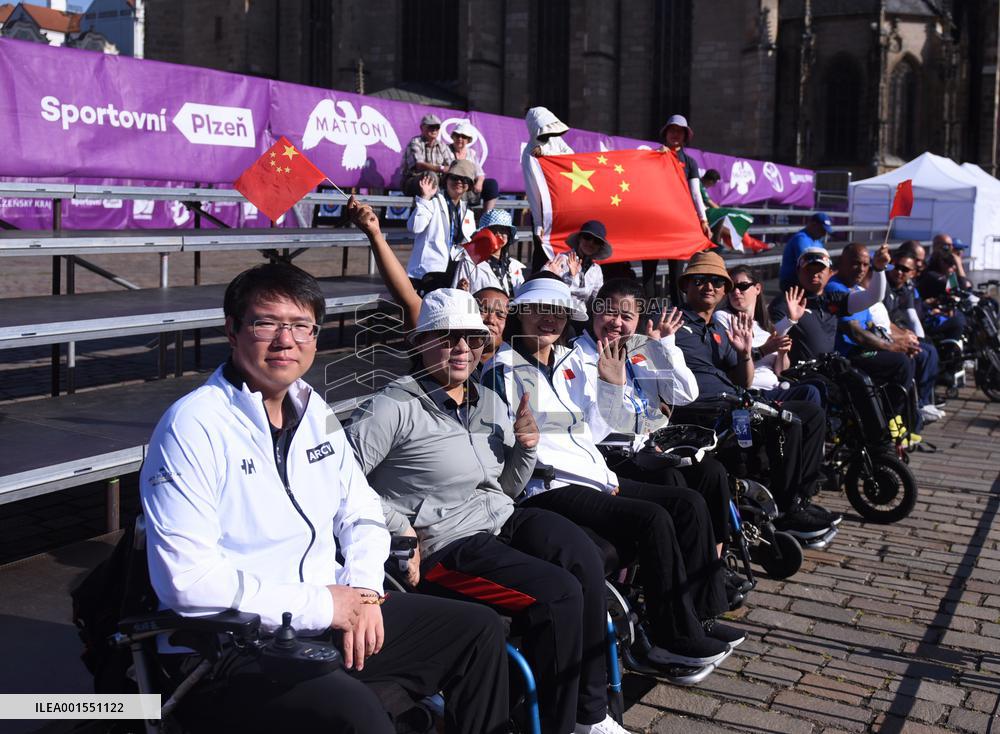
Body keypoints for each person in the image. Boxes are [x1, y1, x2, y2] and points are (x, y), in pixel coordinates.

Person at [139, 262, 509, 734]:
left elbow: (362, 511)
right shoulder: (192, 426)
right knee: (357, 713)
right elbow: (187, 584)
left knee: (478, 631)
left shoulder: (312, 408)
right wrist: (325, 605)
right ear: (232, 331)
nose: (285, 340)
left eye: (300, 326)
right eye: (266, 323)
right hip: (235, 647)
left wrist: (365, 593)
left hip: (330, 615)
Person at [346, 288, 627, 734]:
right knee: (557, 593)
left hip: (500, 517)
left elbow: (504, 487)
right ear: (421, 343)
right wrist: (399, 525)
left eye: (473, 340)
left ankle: (589, 713)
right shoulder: (392, 406)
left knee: (583, 556)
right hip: (449, 542)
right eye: (448, 337)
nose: (462, 349)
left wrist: (527, 450)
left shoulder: (486, 400)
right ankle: (562, 723)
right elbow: (341, 482)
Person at [483, 275, 741, 673]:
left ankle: (701, 617)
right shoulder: (503, 369)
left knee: (687, 503)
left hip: (594, 475)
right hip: (549, 484)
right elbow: (506, 449)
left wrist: (610, 385)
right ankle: (672, 639)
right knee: (654, 517)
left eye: (558, 313)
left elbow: (595, 431)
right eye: (540, 312)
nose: (549, 321)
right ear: (521, 315)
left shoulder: (565, 362)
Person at [570, 278, 752, 603]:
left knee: (712, 474)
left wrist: (665, 346)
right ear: (594, 311)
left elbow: (685, 393)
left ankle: (712, 566)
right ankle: (687, 587)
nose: (617, 322)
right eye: (609, 312)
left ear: (638, 321)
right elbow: (597, 429)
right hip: (610, 455)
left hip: (647, 449)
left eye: (627, 316)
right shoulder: (577, 357)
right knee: (674, 482)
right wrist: (610, 383)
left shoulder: (636, 350)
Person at [669, 252, 840, 540]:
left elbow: (743, 380)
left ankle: (799, 498)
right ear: (685, 286)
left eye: (715, 281)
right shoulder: (672, 322)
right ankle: (786, 512)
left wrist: (746, 353)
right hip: (708, 412)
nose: (708, 286)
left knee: (811, 411)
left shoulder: (717, 331)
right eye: (699, 280)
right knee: (790, 421)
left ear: (722, 290)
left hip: (736, 402)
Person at [825, 244, 917, 425]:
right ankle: (885, 420)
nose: (861, 269)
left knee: (910, 356)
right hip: (846, 356)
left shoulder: (857, 289)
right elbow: (854, 332)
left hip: (862, 351)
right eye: (855, 263)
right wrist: (892, 346)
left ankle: (896, 416)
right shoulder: (835, 289)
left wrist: (900, 340)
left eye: (866, 265)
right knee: (901, 362)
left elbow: (872, 325)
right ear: (842, 262)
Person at [714, 266, 818, 404]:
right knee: (810, 392)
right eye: (731, 287)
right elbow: (732, 360)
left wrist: (782, 353)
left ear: (757, 288)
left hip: (775, 389)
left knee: (819, 386)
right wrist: (765, 350)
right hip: (751, 393)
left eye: (742, 286)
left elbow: (780, 372)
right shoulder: (723, 317)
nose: (736, 291)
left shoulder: (763, 328)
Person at [642, 115, 711, 297]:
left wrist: (703, 220)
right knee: (649, 271)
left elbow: (696, 193)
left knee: (677, 272)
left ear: (685, 135)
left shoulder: (690, 163)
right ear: (665, 133)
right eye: (672, 130)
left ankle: (679, 313)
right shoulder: (653, 156)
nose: (675, 134)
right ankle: (648, 313)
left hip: (677, 223)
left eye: (679, 131)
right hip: (654, 221)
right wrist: (657, 157)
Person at [882, 250, 944, 422]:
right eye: (897, 267)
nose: (899, 272)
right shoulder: (883, 285)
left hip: (901, 332)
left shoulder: (906, 290)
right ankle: (917, 406)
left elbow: (912, 317)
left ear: (912, 273)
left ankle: (924, 401)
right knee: (921, 354)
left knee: (930, 350)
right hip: (887, 334)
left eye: (905, 269)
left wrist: (920, 338)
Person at [406, 159, 478, 295]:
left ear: (469, 185)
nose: (459, 182)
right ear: (446, 179)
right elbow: (415, 227)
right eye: (455, 178)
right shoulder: (432, 202)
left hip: (454, 272)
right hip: (428, 273)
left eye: (464, 180)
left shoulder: (467, 212)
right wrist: (424, 198)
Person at [521, 106, 575, 273]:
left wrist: (545, 152)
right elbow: (533, 191)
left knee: (563, 254)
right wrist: (539, 223)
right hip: (544, 213)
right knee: (543, 255)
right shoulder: (529, 152)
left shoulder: (555, 141)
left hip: (560, 207)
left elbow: (571, 157)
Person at [452, 208, 526, 296]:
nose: (499, 234)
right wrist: (461, 290)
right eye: (493, 230)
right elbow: (456, 296)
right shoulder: (468, 263)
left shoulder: (514, 266)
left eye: (503, 230)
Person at [545, 220, 612, 305]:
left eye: (597, 241)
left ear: (600, 246)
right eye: (587, 237)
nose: (591, 243)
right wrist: (570, 277)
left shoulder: (596, 270)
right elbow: (547, 288)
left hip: (584, 315)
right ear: (580, 238)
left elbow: (597, 297)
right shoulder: (561, 259)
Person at [401, 113, 456, 196]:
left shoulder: (443, 146)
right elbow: (419, 166)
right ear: (422, 128)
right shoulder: (415, 142)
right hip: (413, 182)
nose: (434, 130)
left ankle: (460, 207)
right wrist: (441, 168)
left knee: (458, 179)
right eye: (431, 127)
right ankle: (436, 203)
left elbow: (452, 166)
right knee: (430, 175)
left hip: (437, 182)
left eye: (437, 127)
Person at [449, 120, 499, 211]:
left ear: (468, 140)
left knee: (491, 184)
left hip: (469, 184)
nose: (460, 139)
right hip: (454, 184)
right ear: (453, 137)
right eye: (457, 136)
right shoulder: (446, 150)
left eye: (463, 136)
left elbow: (480, 173)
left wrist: (479, 183)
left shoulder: (471, 153)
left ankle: (486, 217)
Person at [778, 212, 834, 290]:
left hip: (807, 280)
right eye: (822, 229)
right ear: (813, 224)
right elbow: (808, 264)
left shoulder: (817, 240)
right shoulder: (801, 239)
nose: (824, 234)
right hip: (792, 283)